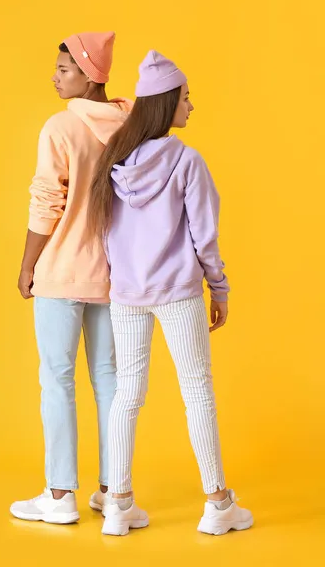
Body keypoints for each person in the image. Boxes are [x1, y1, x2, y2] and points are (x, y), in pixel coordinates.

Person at [88, 50, 253, 536]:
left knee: (126, 396)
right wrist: (218, 288)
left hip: (127, 294)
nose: (192, 105)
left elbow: (105, 234)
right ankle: (218, 504)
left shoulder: (112, 162)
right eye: (185, 97)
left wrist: (121, 281)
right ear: (165, 103)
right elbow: (205, 234)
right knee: (197, 391)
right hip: (178, 291)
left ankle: (118, 504)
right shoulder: (186, 161)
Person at [10, 32, 132, 524]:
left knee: (57, 380)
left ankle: (61, 496)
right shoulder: (130, 128)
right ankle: (113, 493)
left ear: (89, 74)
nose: (55, 78)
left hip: (61, 273)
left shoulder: (60, 128)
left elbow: (47, 200)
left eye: (64, 70)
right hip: (112, 275)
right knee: (109, 381)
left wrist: (27, 264)